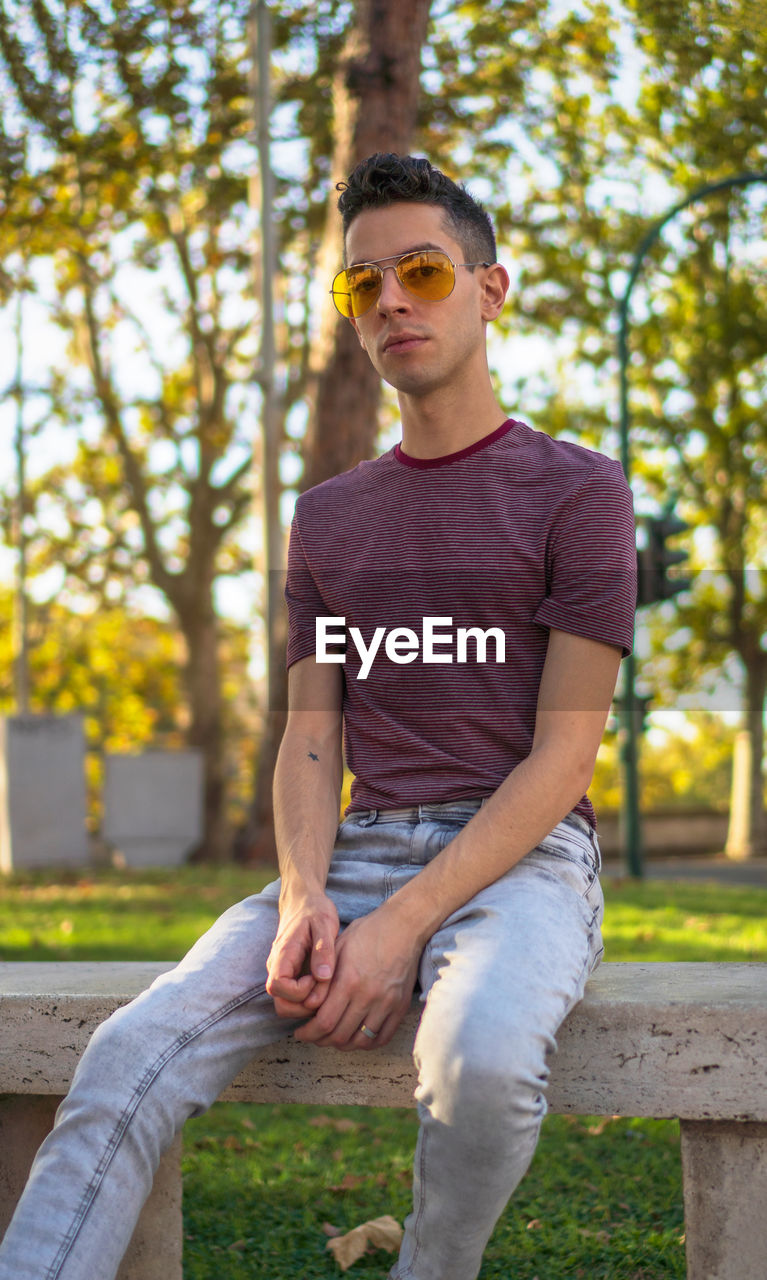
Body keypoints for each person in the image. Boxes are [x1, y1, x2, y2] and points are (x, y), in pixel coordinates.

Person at [0, 152, 636, 1280]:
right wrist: (304, 894)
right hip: (351, 850)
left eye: (423, 270)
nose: (391, 299)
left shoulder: (576, 489)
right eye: (362, 284)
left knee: (480, 1059)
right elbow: (309, 732)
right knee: (127, 1052)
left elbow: (563, 755)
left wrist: (399, 928)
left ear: (488, 289)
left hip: (527, 859)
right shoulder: (327, 517)